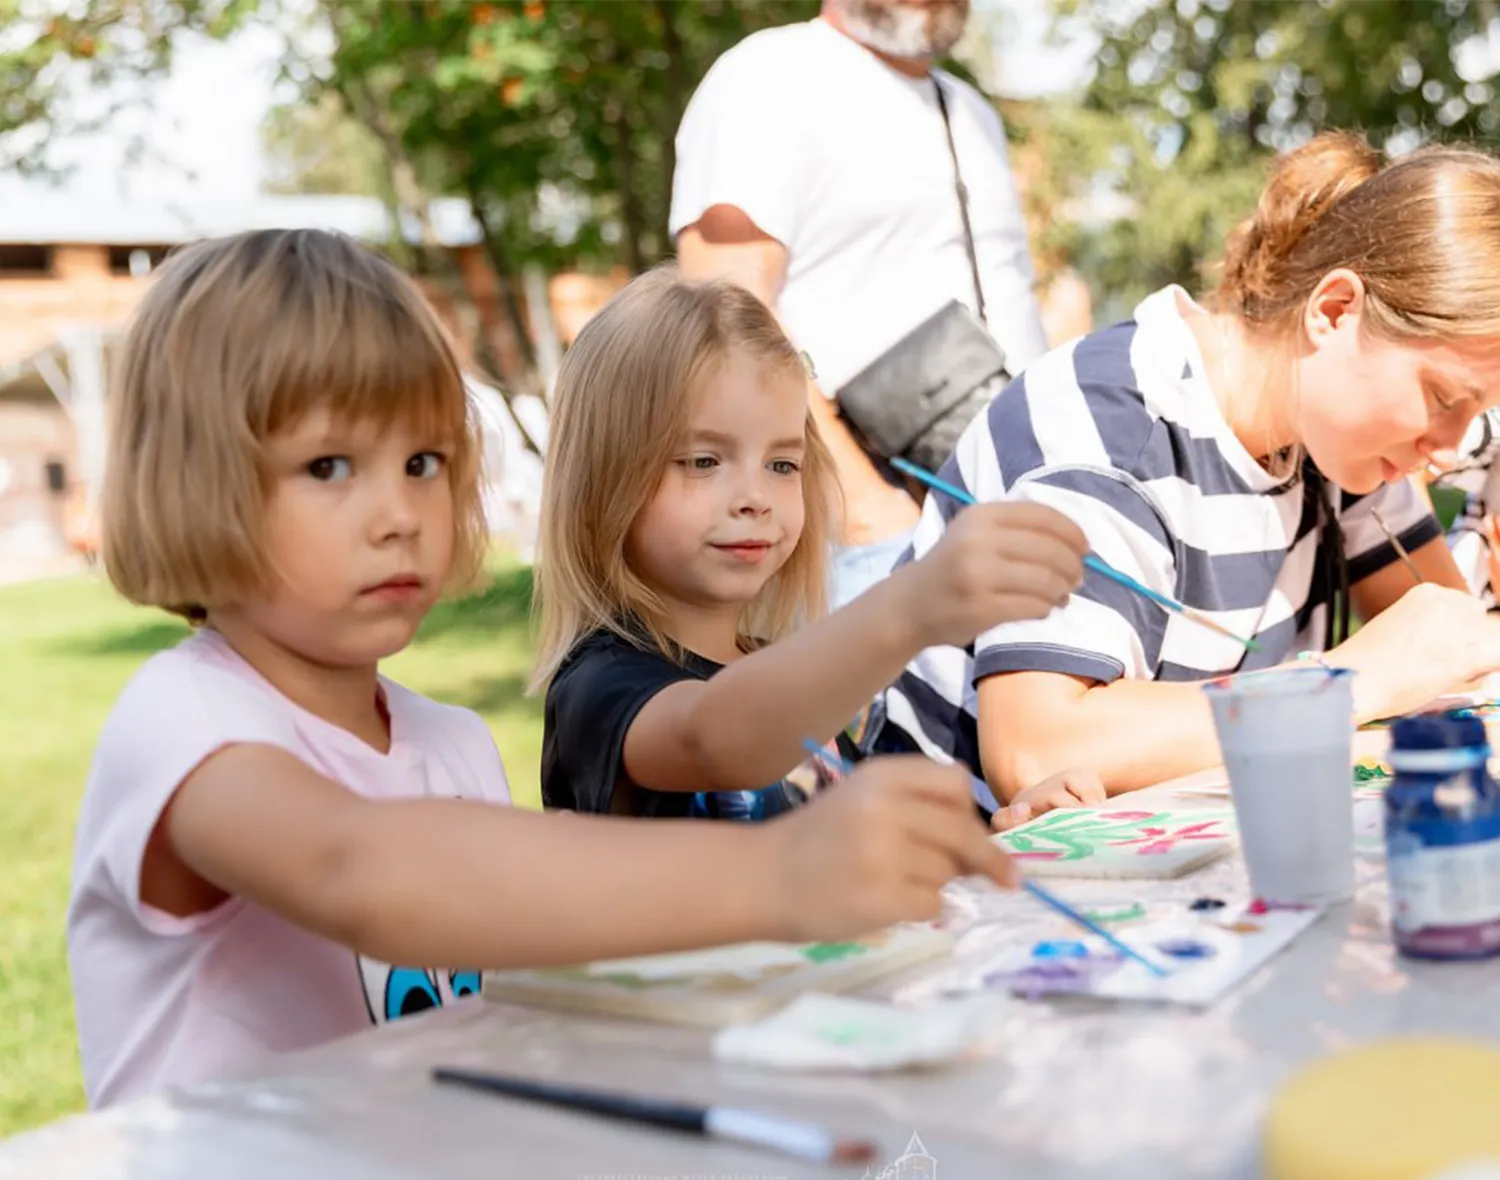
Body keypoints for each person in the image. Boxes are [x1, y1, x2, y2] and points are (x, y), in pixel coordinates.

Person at [67, 229, 1023, 1109]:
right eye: (328, 467)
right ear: (191, 481)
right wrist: (782, 873)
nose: (399, 512)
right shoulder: (183, 723)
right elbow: (364, 874)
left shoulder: (452, 747)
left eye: (425, 461)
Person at [875, 131, 1500, 806]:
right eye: (1441, 398)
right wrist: (1345, 683)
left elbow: (1456, 656)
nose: (1448, 450)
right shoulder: (1110, 431)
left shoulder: (1341, 447)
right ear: (1334, 311)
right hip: (939, 875)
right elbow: (1038, 750)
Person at [533, 265, 1102, 824]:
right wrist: (911, 606)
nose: (755, 497)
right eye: (703, 461)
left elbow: (864, 846)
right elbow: (720, 740)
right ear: (604, 479)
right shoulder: (601, 688)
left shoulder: (781, 672)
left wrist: (1008, 825)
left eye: (782, 463)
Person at [670, 0, 1048, 608]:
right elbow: (719, 314)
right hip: (870, 539)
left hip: (999, 504)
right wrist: (858, 506)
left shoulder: (972, 111)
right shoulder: (769, 77)